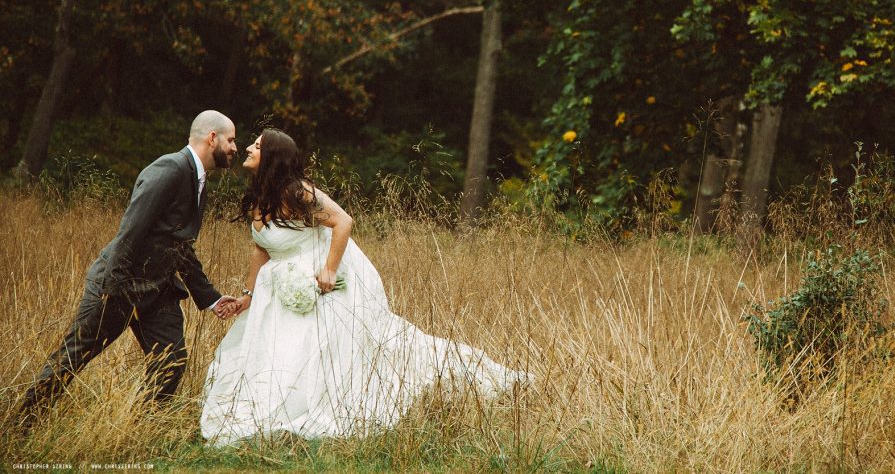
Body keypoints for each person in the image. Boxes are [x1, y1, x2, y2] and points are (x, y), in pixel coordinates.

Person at [200, 128, 529, 445]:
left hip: (315, 283)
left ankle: (476, 377)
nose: (247, 149)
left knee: (343, 351)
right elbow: (262, 248)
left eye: (256, 146)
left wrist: (328, 271)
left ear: (272, 155)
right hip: (278, 292)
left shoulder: (296, 191)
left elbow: (343, 221)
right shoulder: (261, 197)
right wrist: (248, 296)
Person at [17, 111, 240, 427]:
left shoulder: (198, 178)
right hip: (119, 285)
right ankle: (20, 425)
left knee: (172, 362)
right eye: (231, 140)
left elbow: (179, 245)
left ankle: (137, 430)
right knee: (72, 358)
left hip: (159, 290)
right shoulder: (170, 169)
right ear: (212, 138)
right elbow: (131, 231)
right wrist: (114, 288)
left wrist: (212, 298)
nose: (234, 147)